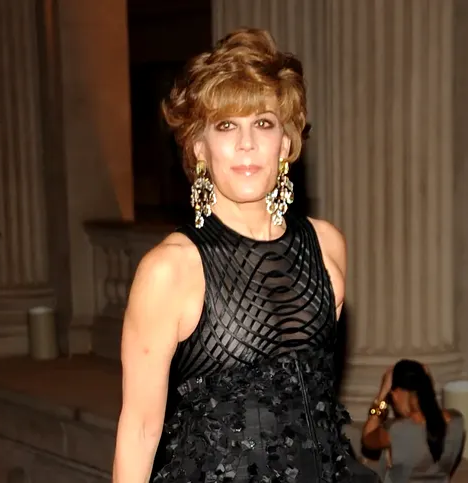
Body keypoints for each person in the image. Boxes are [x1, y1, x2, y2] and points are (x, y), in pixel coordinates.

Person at [111, 28, 380, 483]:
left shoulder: (327, 246)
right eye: (226, 125)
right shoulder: (170, 270)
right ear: (199, 147)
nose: (246, 143)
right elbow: (139, 431)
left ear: (286, 143)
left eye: (263, 123)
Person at [361, 360, 464, 483]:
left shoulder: (397, 431)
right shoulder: (457, 421)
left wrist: (381, 396)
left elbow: (367, 439)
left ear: (396, 394)